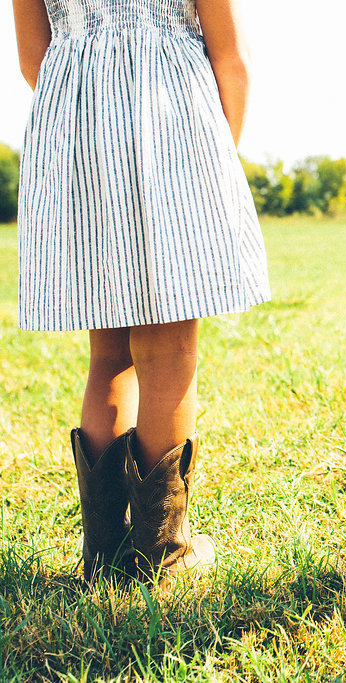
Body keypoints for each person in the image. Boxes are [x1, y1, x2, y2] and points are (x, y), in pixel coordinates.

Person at [13, 0, 270, 586]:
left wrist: (88, 99)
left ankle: (104, 552)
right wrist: (214, 161)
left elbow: (35, 59)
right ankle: (164, 554)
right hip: (171, 123)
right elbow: (231, 56)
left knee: (109, 353)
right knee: (170, 353)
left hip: (75, 129)